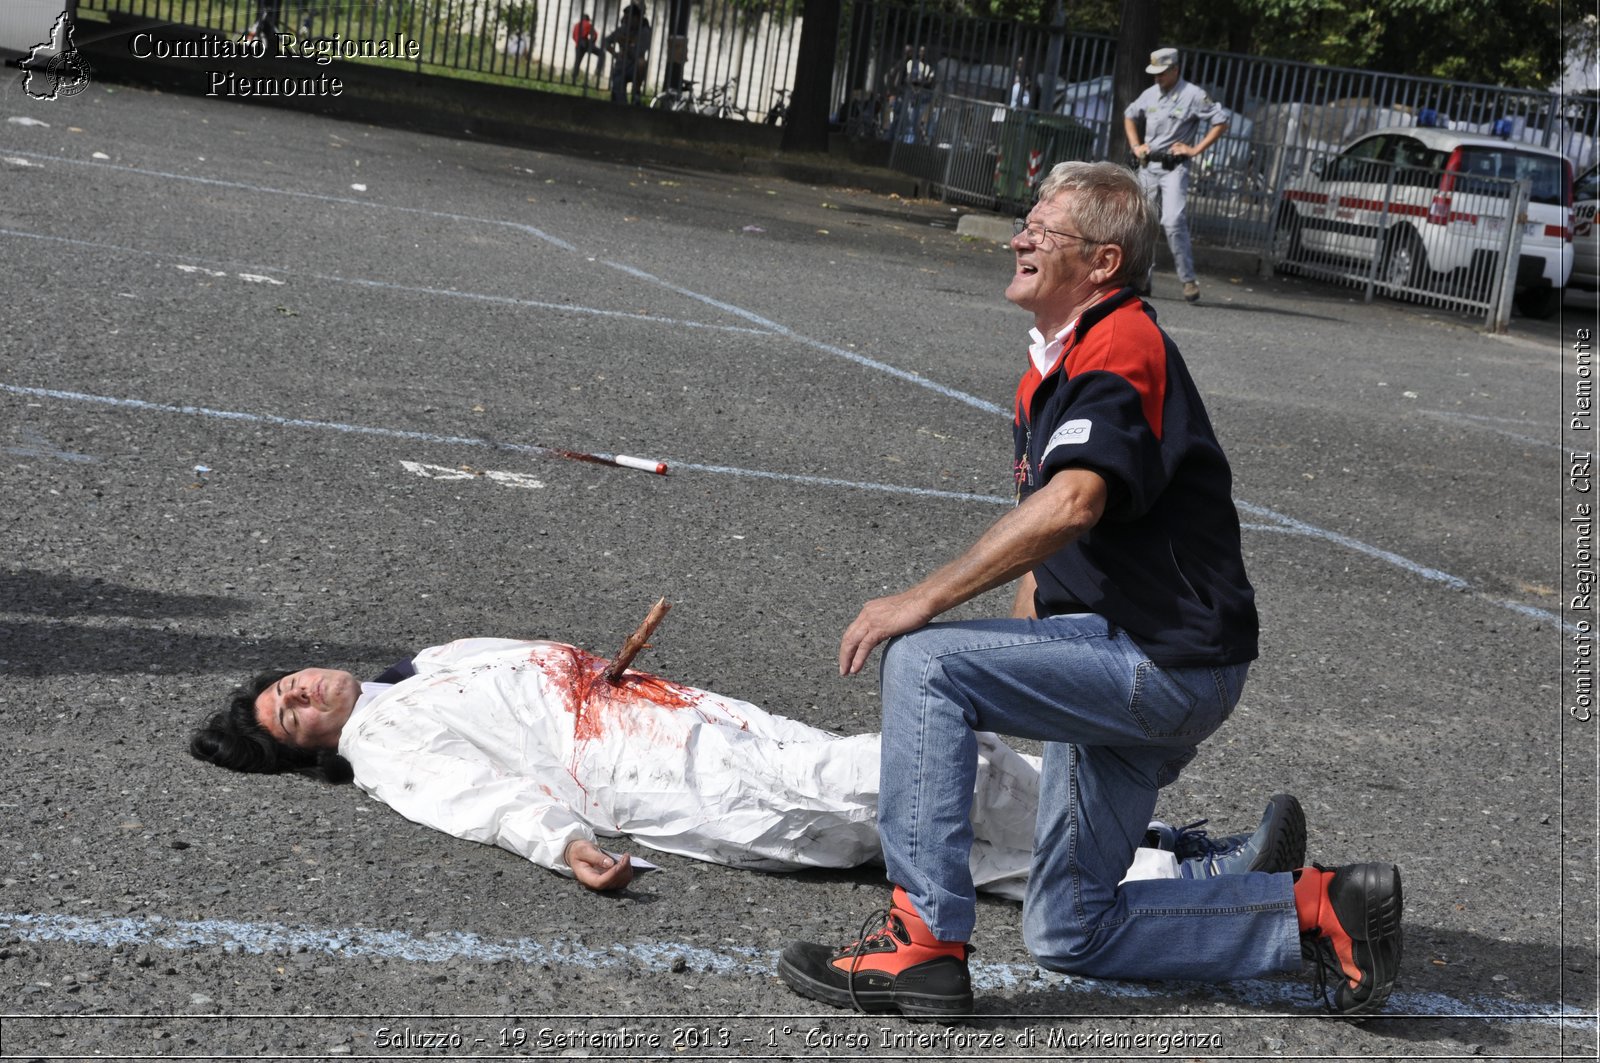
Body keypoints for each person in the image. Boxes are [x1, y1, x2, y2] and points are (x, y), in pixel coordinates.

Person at [777, 161, 1402, 1021]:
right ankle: (1315, 906)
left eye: (1044, 227)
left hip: (1159, 660)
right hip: (1139, 657)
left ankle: (921, 945)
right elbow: (1060, 525)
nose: (1020, 236)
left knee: (922, 663)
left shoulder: (1121, 342)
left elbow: (1074, 500)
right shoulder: (1056, 361)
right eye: (1026, 222)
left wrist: (920, 600)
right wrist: (1024, 634)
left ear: (1103, 262)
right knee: (1070, 929)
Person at [190, 637, 1303, 894]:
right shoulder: (384, 743)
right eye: (287, 718)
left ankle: (1169, 861)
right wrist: (556, 842)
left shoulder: (422, 664)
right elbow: (466, 796)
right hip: (659, 778)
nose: (298, 694)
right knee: (911, 779)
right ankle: (1167, 859)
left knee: (925, 836)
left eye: (284, 681)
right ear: (314, 747)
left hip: (684, 724)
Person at [1122, 47, 1230, 304]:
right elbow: (1129, 115)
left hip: (1174, 168)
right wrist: (1136, 146)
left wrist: (1195, 149)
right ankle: (1142, 279)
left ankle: (1188, 280)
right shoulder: (1150, 94)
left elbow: (1221, 121)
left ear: (1175, 70)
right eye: (1154, 73)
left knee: (1172, 221)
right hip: (1148, 166)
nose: (1157, 78)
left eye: (1161, 73)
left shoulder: (1193, 95)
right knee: (1141, 222)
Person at [604, 3, 652, 106]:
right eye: (625, 18)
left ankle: (636, 95)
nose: (625, 21)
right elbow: (606, 41)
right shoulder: (623, 29)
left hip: (634, 68)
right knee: (618, 93)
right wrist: (615, 54)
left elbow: (637, 54)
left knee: (641, 63)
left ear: (636, 18)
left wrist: (625, 44)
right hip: (621, 67)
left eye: (628, 18)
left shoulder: (644, 32)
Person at [571, 13, 604, 79]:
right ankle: (598, 71)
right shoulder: (588, 24)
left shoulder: (576, 25)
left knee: (577, 62)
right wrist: (592, 43)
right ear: (587, 19)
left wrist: (577, 42)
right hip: (585, 43)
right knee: (601, 53)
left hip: (578, 45)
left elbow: (573, 36)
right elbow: (595, 34)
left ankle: (574, 78)